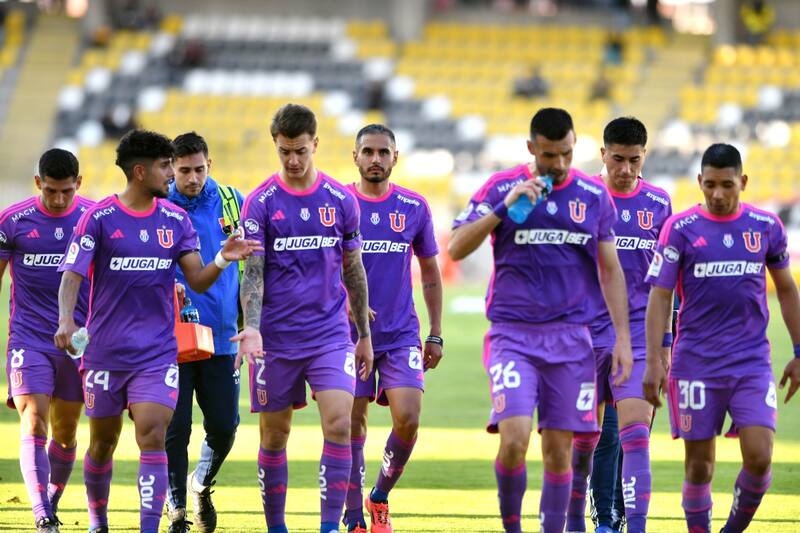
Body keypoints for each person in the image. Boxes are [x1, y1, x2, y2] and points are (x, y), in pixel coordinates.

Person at [54, 129, 261, 533]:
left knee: (155, 435)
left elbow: (198, 278)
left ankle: (159, 521)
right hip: (106, 353)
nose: (172, 174)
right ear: (140, 171)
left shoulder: (176, 220)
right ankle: (98, 522)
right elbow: (72, 275)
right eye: (166, 166)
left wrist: (222, 257)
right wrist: (66, 320)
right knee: (103, 443)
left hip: (159, 353)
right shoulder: (99, 218)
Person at [448, 107, 633, 533]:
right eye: (550, 155)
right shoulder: (502, 187)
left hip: (571, 341)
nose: (560, 164)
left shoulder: (593, 195)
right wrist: (503, 208)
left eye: (567, 153)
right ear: (532, 148)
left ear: (575, 146)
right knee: (513, 440)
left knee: (559, 453)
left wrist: (623, 339)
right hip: (512, 336)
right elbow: (455, 248)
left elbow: (610, 271)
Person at [643, 143, 800, 533]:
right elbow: (660, 295)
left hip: (750, 362)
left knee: (760, 457)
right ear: (699, 181)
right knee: (700, 466)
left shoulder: (766, 227)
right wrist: (654, 359)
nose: (717, 193)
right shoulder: (679, 229)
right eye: (709, 184)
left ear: (742, 182)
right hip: (695, 363)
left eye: (726, 185)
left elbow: (786, 290)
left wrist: (799, 351)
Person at [235, 103, 374, 533]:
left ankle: (329, 526)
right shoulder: (260, 203)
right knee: (275, 435)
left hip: (329, 335)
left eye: (300, 150)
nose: (293, 160)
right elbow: (253, 272)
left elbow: (354, 268)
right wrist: (252, 327)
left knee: (339, 422)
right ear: (275, 146)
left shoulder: (340, 200)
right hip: (275, 339)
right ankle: (276, 527)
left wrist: (364, 334)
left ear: (315, 143)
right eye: (284, 151)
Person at [567, 117, 672, 533]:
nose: (626, 169)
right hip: (587, 335)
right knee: (589, 439)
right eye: (617, 160)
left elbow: (667, 281)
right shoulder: (581, 197)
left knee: (635, 435)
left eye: (634, 160)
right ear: (603, 154)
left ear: (644, 156)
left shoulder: (659, 203)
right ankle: (588, 519)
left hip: (641, 335)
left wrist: (666, 343)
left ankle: (630, 524)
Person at [342, 124, 443, 533]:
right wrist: (346, 304)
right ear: (355, 156)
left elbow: (431, 271)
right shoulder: (340, 202)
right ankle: (353, 516)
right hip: (348, 334)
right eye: (368, 151)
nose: (375, 159)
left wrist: (435, 331)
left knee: (408, 418)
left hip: (400, 332)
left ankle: (379, 496)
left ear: (395, 158)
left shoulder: (414, 206)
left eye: (383, 152)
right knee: (352, 424)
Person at [1, 149, 93, 533]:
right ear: (38, 182)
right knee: (34, 421)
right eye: (51, 190)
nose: (58, 199)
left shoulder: (93, 219)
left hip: (78, 343)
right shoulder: (13, 222)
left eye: (66, 191)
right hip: (29, 339)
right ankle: (41, 514)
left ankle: (51, 500)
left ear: (78, 184)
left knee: (66, 432)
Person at [164, 132, 245, 533]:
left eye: (199, 169)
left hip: (223, 335)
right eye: (184, 171)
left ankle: (200, 483)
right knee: (175, 428)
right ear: (171, 169)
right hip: (171, 340)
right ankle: (177, 507)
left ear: (209, 164)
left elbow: (255, 262)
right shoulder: (159, 207)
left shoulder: (232, 201)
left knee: (225, 426)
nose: (193, 178)